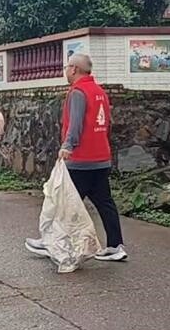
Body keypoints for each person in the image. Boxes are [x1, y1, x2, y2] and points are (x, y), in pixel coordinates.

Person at [26, 53, 128, 262]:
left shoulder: (78, 92)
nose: (66, 71)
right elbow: (107, 124)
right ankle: (115, 245)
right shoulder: (100, 92)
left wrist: (67, 146)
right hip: (101, 157)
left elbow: (76, 123)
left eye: (67, 67)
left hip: (81, 159)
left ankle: (51, 243)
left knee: (64, 202)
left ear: (74, 69)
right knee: (105, 203)